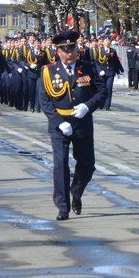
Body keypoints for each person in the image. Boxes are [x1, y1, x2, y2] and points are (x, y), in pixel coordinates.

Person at [37, 30, 106, 220]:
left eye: (72, 49)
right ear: (57, 52)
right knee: (60, 165)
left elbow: (102, 93)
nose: (69, 54)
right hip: (60, 125)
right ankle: (63, 206)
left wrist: (87, 106)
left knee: (87, 164)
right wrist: (58, 121)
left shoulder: (88, 68)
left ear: (77, 49)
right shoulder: (48, 71)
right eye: (65, 50)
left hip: (82, 121)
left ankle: (76, 191)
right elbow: (44, 101)